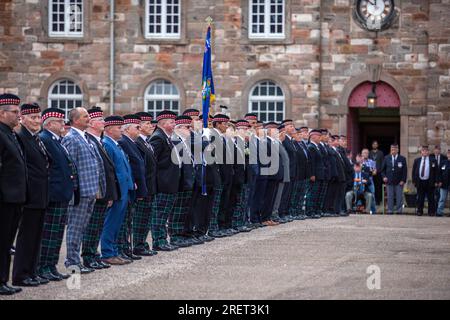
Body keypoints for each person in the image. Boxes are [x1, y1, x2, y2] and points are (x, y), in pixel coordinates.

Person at [62, 107, 106, 273]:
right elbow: (70, 168)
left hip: (90, 191)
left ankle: (76, 260)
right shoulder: (72, 138)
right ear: (75, 120)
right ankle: (72, 263)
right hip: (80, 193)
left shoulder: (85, 137)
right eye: (85, 116)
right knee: (75, 228)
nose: (89, 118)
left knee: (82, 228)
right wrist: (75, 192)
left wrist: (99, 190)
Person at [13, 103, 51, 287]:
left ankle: (32, 271)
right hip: (30, 196)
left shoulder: (36, 138)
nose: (37, 121)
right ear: (23, 118)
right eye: (33, 117)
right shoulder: (21, 138)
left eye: (38, 117)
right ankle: (21, 274)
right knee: (27, 237)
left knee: (37, 236)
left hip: (41, 195)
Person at [38, 108, 76, 281]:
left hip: (62, 193)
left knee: (57, 233)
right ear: (50, 123)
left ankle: (51, 266)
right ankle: (43, 266)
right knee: (49, 234)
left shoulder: (56, 140)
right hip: (54, 194)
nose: (64, 124)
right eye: (60, 121)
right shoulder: (45, 139)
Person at [82, 107, 120, 270]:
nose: (103, 122)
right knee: (91, 226)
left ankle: (93, 254)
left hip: (103, 191)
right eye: (100, 120)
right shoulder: (90, 140)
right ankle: (88, 256)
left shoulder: (98, 140)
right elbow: (92, 169)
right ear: (91, 123)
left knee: (96, 226)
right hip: (95, 191)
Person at [0, 93, 26, 295]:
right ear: (2, 113)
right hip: (4, 198)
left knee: (7, 242)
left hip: (15, 198)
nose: (19, 115)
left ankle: (3, 279)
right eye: (15, 112)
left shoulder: (11, 133)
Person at [100, 116, 134, 266]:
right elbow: (109, 171)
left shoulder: (115, 144)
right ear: (108, 129)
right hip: (117, 190)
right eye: (118, 127)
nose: (121, 130)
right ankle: (108, 253)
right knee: (111, 222)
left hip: (123, 188)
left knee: (117, 223)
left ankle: (114, 251)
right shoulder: (107, 144)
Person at [149, 110, 181, 251]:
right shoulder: (158, 138)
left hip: (169, 182)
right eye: (172, 122)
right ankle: (158, 240)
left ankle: (162, 239)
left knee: (164, 214)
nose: (174, 124)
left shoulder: (166, 137)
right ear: (163, 123)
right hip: (162, 182)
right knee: (159, 214)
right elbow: (152, 162)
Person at [117, 114, 148, 261]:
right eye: (136, 127)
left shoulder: (131, 142)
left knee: (128, 220)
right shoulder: (124, 142)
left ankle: (126, 249)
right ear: (127, 129)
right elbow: (130, 166)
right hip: (129, 186)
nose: (139, 129)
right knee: (123, 221)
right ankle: (122, 248)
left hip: (134, 186)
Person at [133, 112, 158, 256]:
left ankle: (142, 243)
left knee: (146, 217)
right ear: (139, 126)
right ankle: (138, 244)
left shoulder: (146, 142)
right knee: (140, 218)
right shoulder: (137, 142)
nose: (150, 126)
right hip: (144, 186)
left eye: (150, 123)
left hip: (150, 185)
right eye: (147, 123)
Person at [381, 144, 407, 215]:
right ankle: (390, 210)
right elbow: (382, 170)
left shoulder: (402, 159)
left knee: (399, 196)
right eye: (392, 149)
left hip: (399, 181)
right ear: (390, 150)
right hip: (389, 181)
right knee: (390, 196)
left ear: (398, 150)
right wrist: (384, 177)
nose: (393, 150)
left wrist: (403, 180)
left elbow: (405, 171)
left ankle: (399, 210)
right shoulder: (386, 158)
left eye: (395, 149)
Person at [412, 145, 438, 216]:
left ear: (428, 152)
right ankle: (419, 211)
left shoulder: (433, 160)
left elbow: (436, 172)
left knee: (431, 198)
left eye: (426, 150)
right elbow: (414, 171)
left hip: (430, 181)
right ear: (421, 152)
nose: (425, 152)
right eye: (423, 150)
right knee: (420, 197)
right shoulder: (417, 160)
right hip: (420, 181)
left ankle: (431, 212)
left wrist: (436, 181)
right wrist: (414, 180)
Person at [306, 130, 325, 219]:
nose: (320, 138)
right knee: (312, 193)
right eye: (319, 136)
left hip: (320, 174)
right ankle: (310, 211)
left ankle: (314, 210)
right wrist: (312, 174)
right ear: (313, 137)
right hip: (315, 174)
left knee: (317, 193)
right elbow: (311, 162)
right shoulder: (311, 147)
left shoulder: (316, 147)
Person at [361, 148, 377, 214]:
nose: (366, 154)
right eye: (364, 153)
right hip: (361, 180)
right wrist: (370, 170)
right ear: (362, 154)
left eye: (367, 153)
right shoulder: (359, 161)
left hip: (370, 181)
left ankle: (373, 211)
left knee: (372, 195)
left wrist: (366, 170)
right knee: (360, 195)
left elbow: (375, 172)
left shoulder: (372, 162)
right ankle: (361, 210)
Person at [369, 141, 384, 205]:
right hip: (371, 173)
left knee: (378, 187)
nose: (375, 145)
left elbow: (382, 163)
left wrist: (379, 170)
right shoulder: (370, 153)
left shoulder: (380, 153)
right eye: (373, 144)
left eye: (376, 144)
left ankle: (378, 200)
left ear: (377, 145)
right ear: (372, 145)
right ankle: (372, 201)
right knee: (372, 187)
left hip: (378, 173)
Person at [437, 149, 450, 217]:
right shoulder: (443, 162)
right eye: (448, 153)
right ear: (447, 154)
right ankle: (439, 212)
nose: (449, 154)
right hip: (444, 184)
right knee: (442, 198)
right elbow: (439, 173)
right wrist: (439, 181)